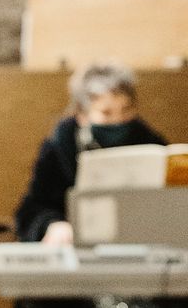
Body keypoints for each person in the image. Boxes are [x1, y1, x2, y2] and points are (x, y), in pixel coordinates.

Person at [14, 62, 168, 308]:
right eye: (106, 113)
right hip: (79, 260)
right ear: (83, 115)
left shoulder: (150, 142)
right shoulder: (59, 146)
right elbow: (31, 209)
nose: (119, 121)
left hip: (139, 259)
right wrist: (53, 225)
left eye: (126, 110)